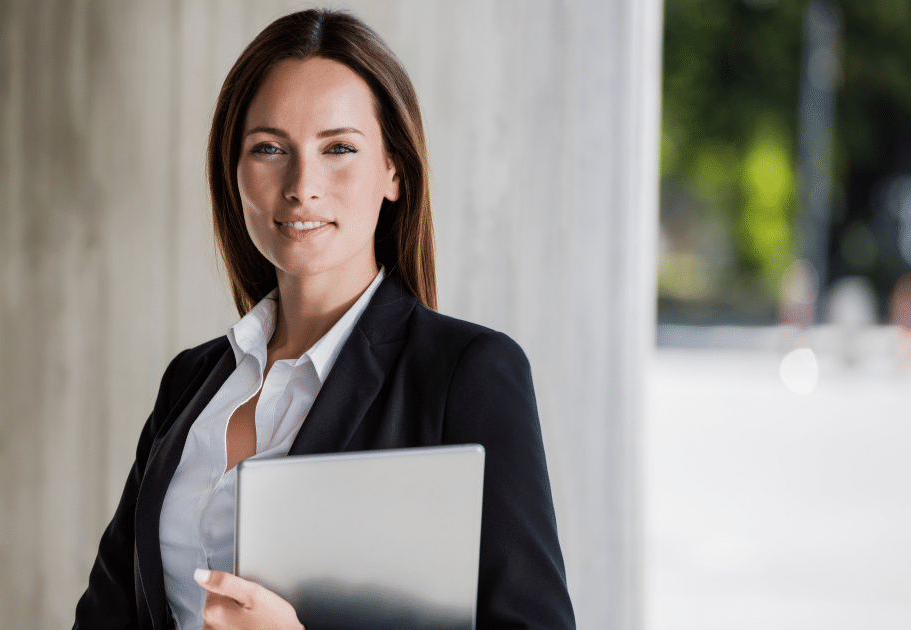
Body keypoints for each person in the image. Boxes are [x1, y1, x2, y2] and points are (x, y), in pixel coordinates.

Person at [73, 8, 575, 630]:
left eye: (338, 148)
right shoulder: (191, 381)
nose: (301, 184)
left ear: (394, 169)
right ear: (233, 172)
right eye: (269, 149)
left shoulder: (464, 375)